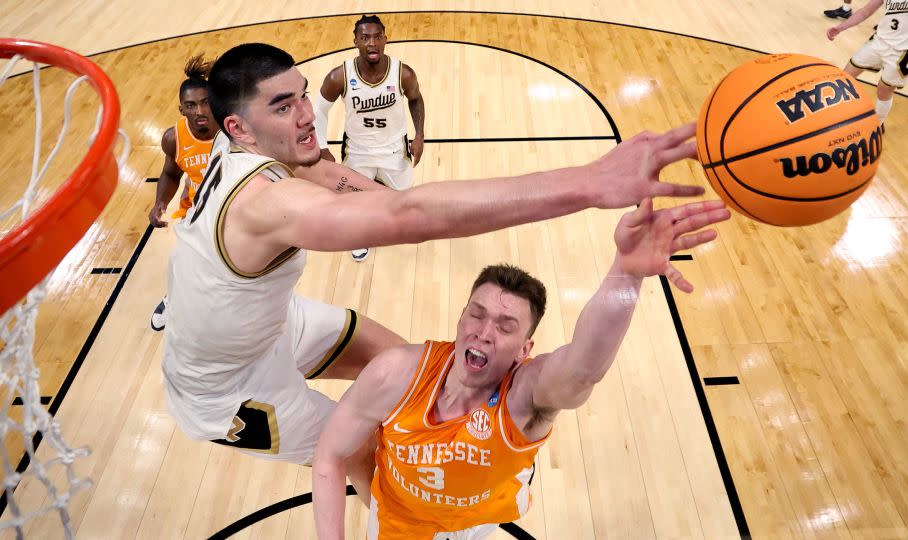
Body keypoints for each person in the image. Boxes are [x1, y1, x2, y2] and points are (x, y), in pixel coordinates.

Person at [160, 41, 708, 495]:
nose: (306, 114)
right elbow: (409, 213)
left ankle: (478, 452)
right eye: (282, 106)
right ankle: (406, 521)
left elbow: (358, 190)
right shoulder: (263, 202)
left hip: (269, 327)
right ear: (240, 128)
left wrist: (385, 210)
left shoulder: (259, 155)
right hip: (226, 390)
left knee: (412, 373)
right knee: (379, 459)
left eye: (303, 96)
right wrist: (589, 183)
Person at [311, 199, 730, 539]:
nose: (485, 332)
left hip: (479, 520)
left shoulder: (524, 395)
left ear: (524, 349)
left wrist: (626, 274)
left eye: (505, 326)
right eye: (476, 315)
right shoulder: (395, 373)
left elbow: (583, 368)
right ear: (460, 318)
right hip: (402, 522)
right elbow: (331, 455)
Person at [312, 14, 426, 262]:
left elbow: (416, 99)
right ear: (355, 41)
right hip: (358, 152)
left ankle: (395, 226)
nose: (371, 43)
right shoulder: (339, 76)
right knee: (354, 203)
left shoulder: (402, 73)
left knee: (405, 199)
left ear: (386, 39)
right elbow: (318, 111)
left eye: (377, 37)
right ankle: (359, 237)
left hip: (394, 149)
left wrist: (420, 135)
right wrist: (322, 148)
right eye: (365, 37)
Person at [148, 54, 220, 331]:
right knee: (187, 261)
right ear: (182, 110)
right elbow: (170, 173)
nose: (200, 111)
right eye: (191, 105)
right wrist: (159, 204)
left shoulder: (232, 129)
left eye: (205, 102)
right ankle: (174, 299)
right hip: (197, 209)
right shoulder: (173, 137)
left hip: (234, 206)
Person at [827, 0, 908, 124]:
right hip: (879, 42)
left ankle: (878, 124)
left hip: (904, 52)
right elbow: (865, 11)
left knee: (884, 90)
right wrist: (840, 27)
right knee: (845, 76)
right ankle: (831, 113)